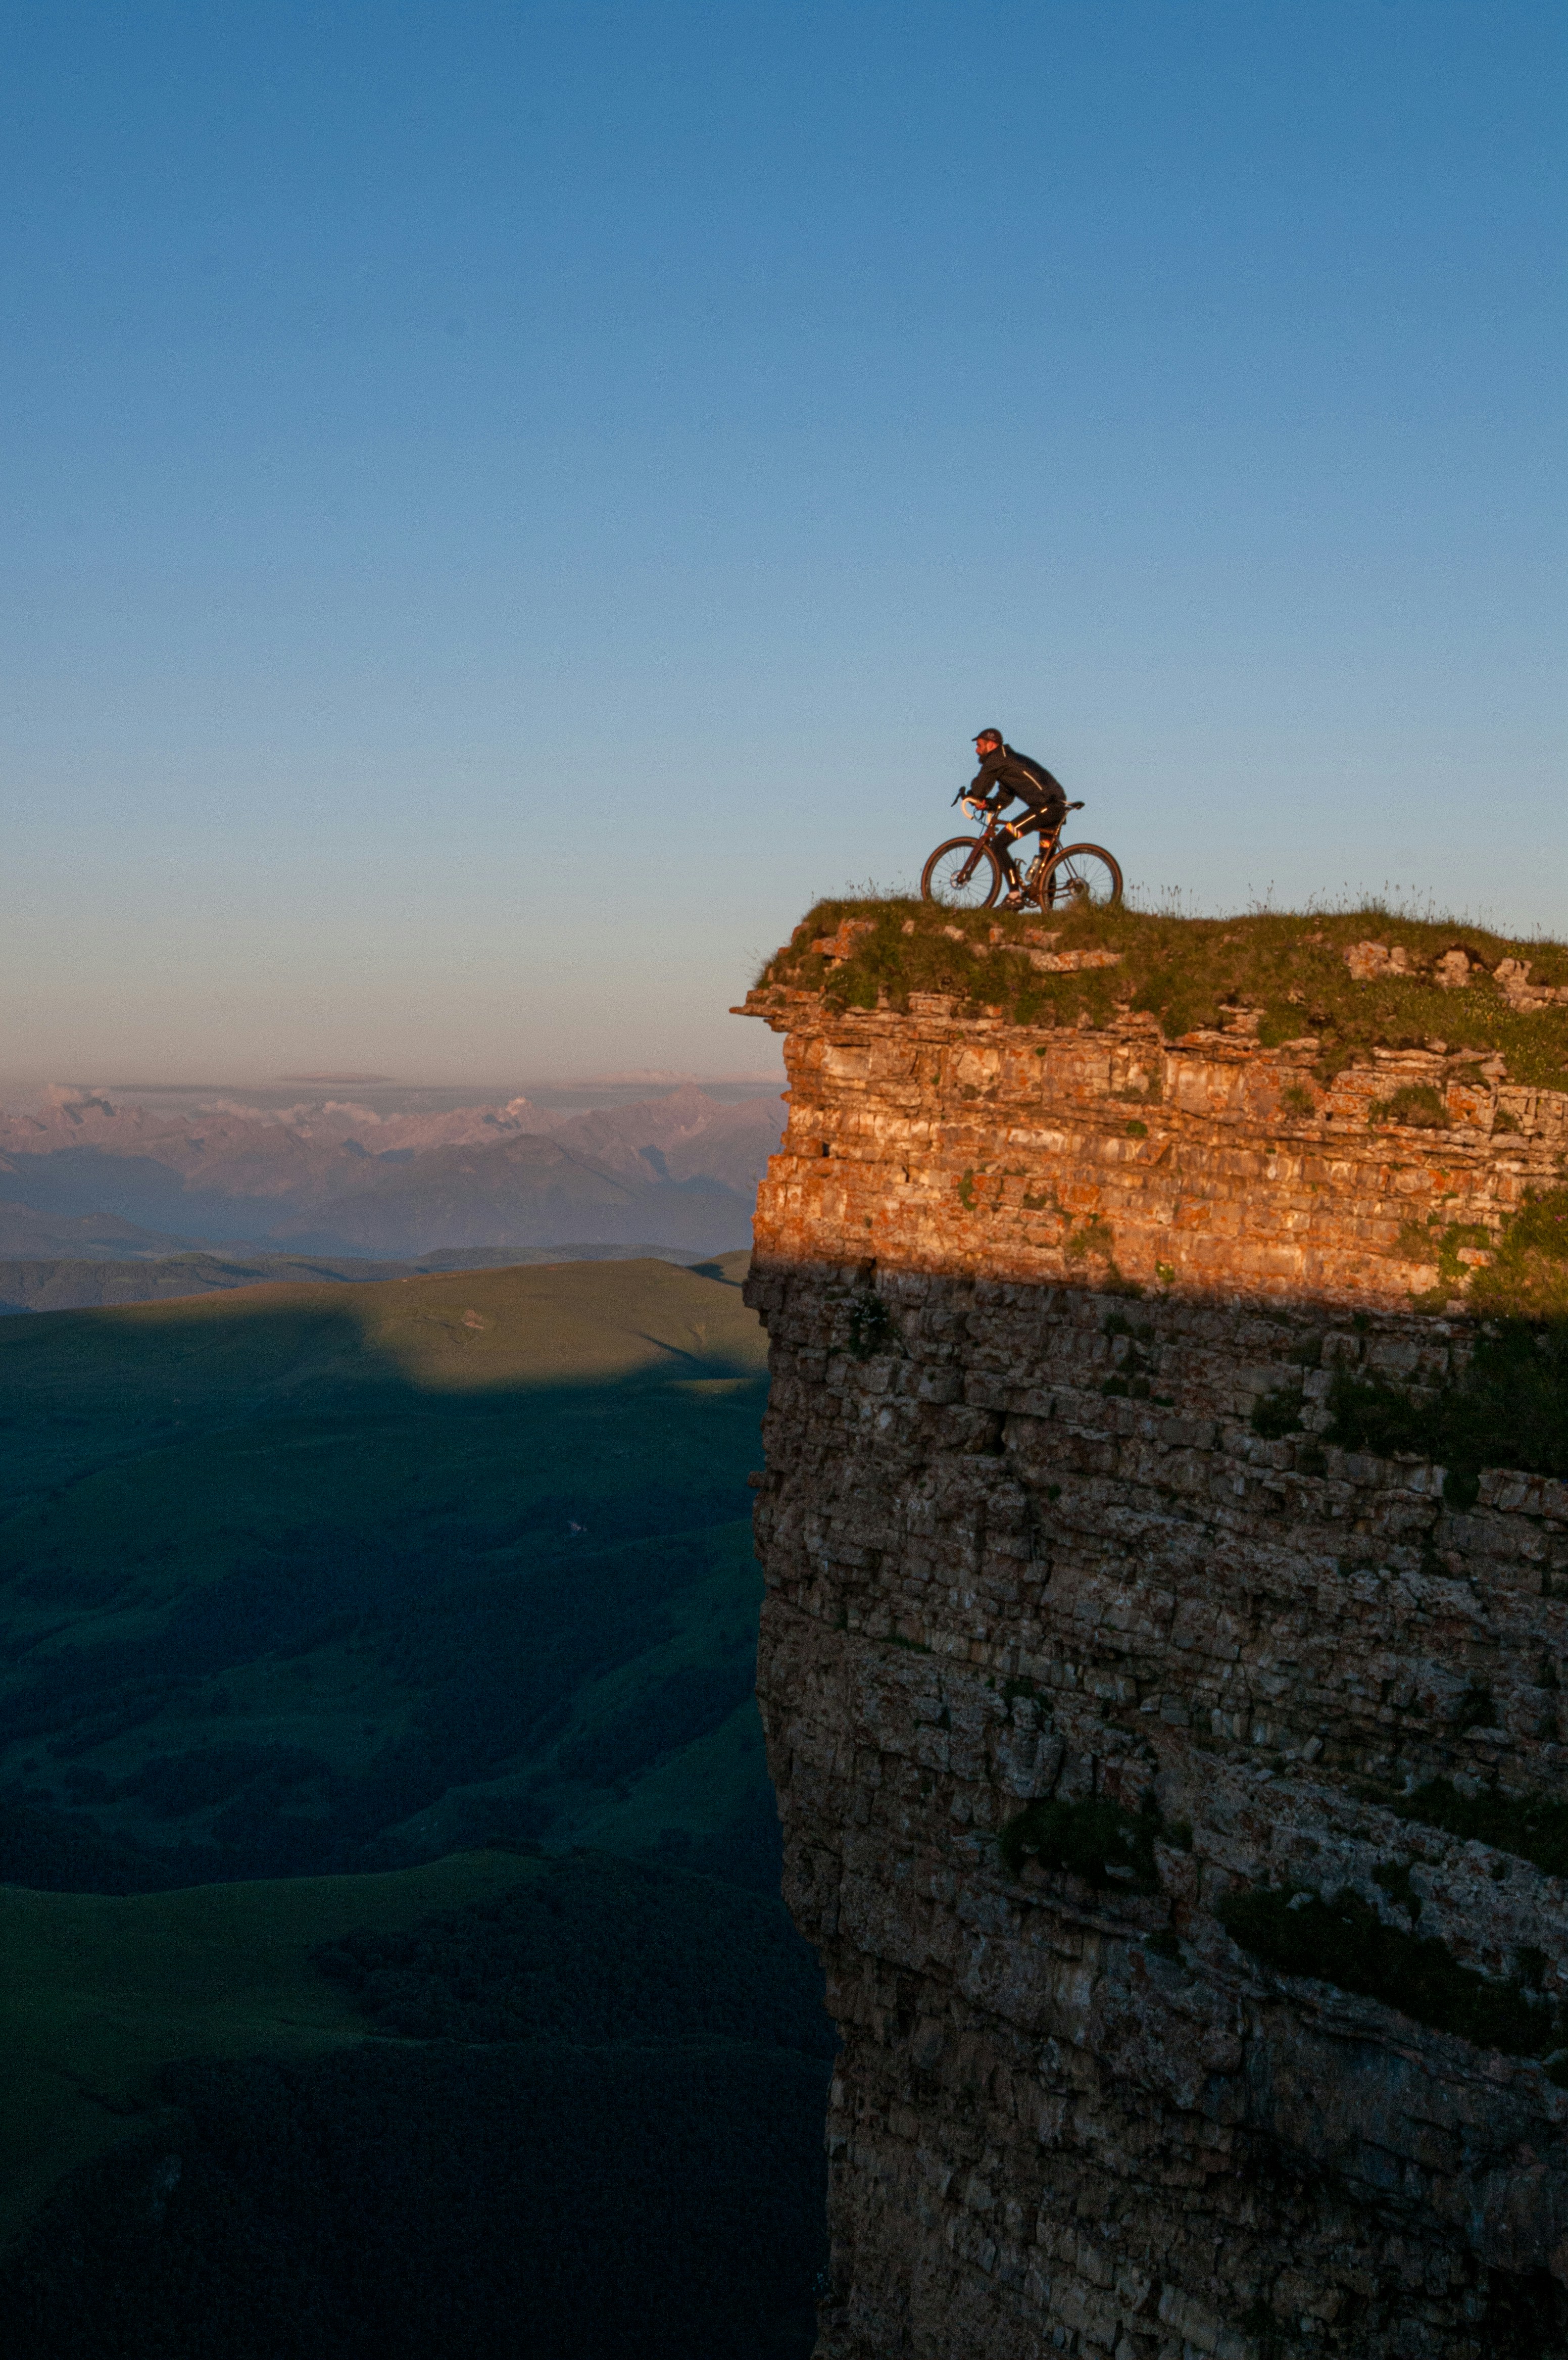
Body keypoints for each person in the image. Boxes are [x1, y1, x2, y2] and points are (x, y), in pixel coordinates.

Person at [962, 728, 1068, 908]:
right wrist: (988, 805)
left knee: (999, 844)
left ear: (991, 745)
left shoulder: (996, 759)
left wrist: (971, 796)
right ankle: (1048, 910)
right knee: (1046, 861)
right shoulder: (1008, 761)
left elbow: (980, 788)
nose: (977, 750)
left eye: (979, 746)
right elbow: (1004, 797)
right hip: (1053, 806)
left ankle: (1014, 896)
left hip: (1046, 807)